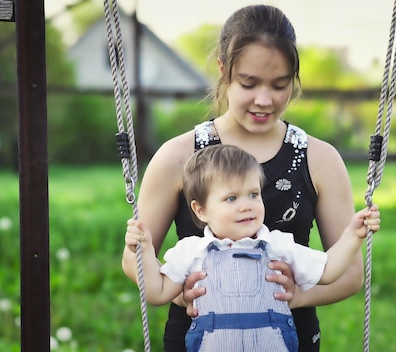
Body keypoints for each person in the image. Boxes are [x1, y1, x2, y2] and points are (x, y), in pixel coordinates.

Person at [122, 4, 372, 351]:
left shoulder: (319, 159)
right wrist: (181, 292)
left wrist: (296, 296)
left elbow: (349, 274)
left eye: (280, 85)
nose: (265, 100)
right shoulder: (178, 156)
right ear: (224, 70)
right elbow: (135, 258)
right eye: (249, 83)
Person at [125, 144, 380, 352]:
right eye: (231, 198)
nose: (246, 205)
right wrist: (143, 251)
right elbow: (157, 292)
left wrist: (352, 236)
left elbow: (328, 270)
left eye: (253, 194)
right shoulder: (192, 251)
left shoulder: (277, 245)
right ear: (200, 210)